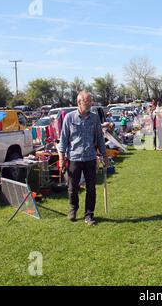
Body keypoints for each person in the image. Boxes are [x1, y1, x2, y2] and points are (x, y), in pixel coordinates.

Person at [58, 90, 107, 226]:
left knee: (91, 188)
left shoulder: (95, 117)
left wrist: (104, 154)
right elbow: (63, 140)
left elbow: (100, 137)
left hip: (90, 158)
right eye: (87, 101)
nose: (90, 104)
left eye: (91, 101)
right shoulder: (69, 118)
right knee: (72, 187)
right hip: (74, 158)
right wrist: (61, 159)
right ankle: (73, 209)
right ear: (79, 102)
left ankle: (89, 215)